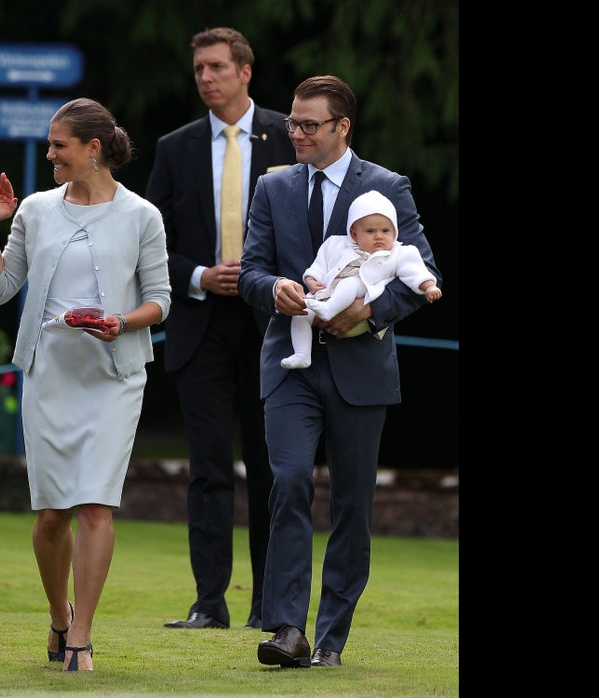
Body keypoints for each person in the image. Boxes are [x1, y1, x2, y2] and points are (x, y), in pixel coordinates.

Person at [238, 75, 442, 668]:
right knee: (291, 480)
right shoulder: (272, 187)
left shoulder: (386, 186)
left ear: (342, 127)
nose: (293, 133)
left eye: (307, 125)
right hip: (290, 363)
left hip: (362, 368)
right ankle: (286, 630)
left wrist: (364, 314)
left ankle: (331, 637)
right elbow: (250, 269)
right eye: (291, 124)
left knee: (352, 502)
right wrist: (272, 288)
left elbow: (419, 271)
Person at [0, 98, 171, 672]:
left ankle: (82, 637)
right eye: (49, 143)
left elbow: (159, 300)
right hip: (49, 374)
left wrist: (122, 324)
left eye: (59, 144)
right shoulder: (35, 209)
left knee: (95, 504)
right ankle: (59, 618)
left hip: (114, 377)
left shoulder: (142, 215)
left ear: (93, 149)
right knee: (50, 516)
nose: (49, 153)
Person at [145, 27, 296, 631]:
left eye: (215, 67)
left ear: (244, 72)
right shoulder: (175, 146)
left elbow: (314, 231)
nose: (205, 77)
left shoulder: (292, 136)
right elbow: (154, 244)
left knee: (270, 468)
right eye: (198, 68)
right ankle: (209, 602)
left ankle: (269, 605)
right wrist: (202, 275)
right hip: (200, 323)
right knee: (208, 467)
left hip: (275, 325)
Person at [281, 189, 441, 369]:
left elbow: (416, 271)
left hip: (361, 311)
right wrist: (311, 280)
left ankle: (328, 310)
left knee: (351, 283)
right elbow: (319, 266)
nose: (379, 236)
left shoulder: (399, 253)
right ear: (354, 233)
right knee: (301, 314)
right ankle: (302, 354)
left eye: (386, 230)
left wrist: (429, 287)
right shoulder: (336, 244)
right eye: (370, 231)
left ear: (394, 231)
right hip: (327, 295)